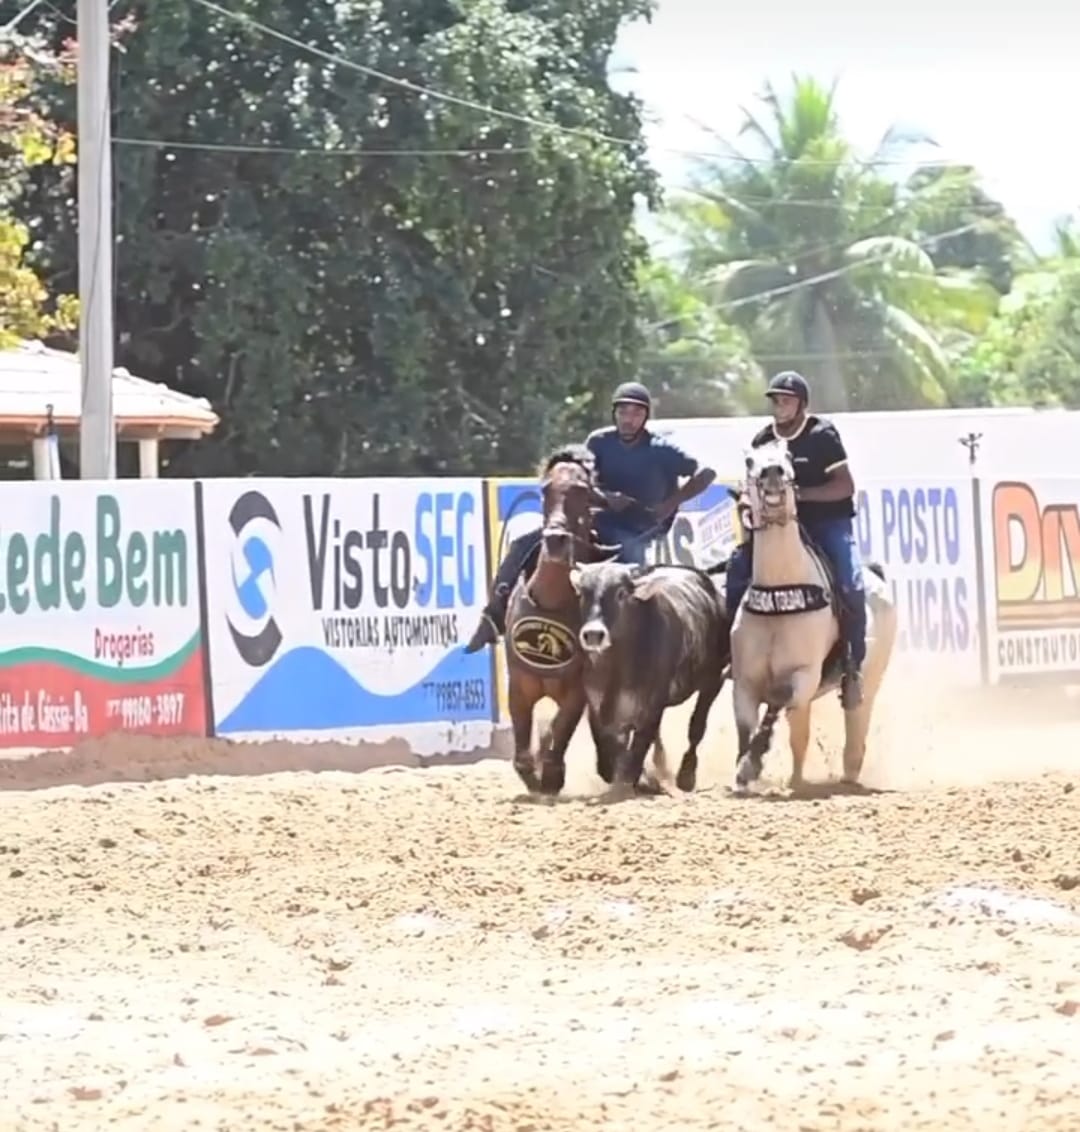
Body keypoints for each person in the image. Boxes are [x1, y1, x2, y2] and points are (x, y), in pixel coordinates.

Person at [463, 381, 716, 653]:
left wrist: (669, 504)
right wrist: (606, 499)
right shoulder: (598, 441)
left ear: (645, 417)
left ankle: (639, 646)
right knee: (525, 544)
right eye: (623, 412)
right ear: (614, 414)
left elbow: (706, 473)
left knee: (625, 573)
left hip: (637, 527)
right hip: (596, 517)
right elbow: (580, 478)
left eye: (636, 413)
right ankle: (493, 615)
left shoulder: (662, 450)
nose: (628, 419)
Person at [725, 370, 867, 710]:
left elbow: (844, 486)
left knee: (852, 583)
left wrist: (798, 495)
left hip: (827, 523)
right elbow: (751, 487)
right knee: (735, 572)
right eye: (776, 400)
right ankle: (729, 654)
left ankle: (852, 666)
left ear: (802, 404)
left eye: (786, 400)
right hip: (777, 526)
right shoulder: (763, 441)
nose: (780, 405)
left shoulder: (822, 435)